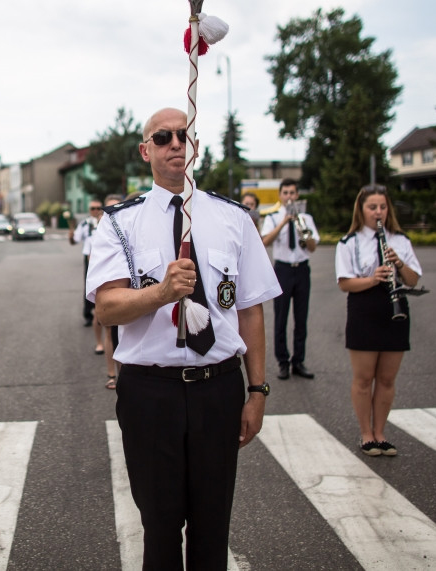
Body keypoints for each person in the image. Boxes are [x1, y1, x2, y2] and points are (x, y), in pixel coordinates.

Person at [87, 107, 280, 569]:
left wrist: (256, 391)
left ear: (195, 145)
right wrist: (160, 293)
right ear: (146, 150)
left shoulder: (233, 218)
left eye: (184, 135)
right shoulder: (119, 223)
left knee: (213, 523)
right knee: (160, 523)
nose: (176, 143)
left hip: (218, 387)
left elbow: (250, 309)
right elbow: (106, 307)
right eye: (164, 136)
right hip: (151, 392)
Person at [335, 184, 422, 457]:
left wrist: (398, 264)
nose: (378, 212)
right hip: (364, 307)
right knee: (364, 378)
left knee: (386, 379)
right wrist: (373, 278)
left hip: (395, 307)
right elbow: (345, 283)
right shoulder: (349, 242)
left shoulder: (401, 240)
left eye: (382, 207)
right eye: (372, 207)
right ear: (361, 210)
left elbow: (413, 279)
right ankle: (366, 434)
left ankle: (381, 433)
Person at [259, 178, 319, 381]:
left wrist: (301, 228)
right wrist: (284, 222)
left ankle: (299, 361)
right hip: (283, 269)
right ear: (280, 196)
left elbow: (312, 247)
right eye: (286, 193)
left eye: (293, 193)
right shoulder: (273, 218)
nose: (289, 196)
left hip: (302, 269)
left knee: (301, 318)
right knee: (281, 317)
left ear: (297, 195)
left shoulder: (307, 218)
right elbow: (265, 241)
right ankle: (282, 362)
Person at [99, 194, 123, 389]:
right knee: (108, 326)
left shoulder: (127, 221)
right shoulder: (100, 226)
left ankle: (123, 373)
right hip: (102, 277)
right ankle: (112, 373)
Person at [72, 199, 104, 329]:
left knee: (103, 284)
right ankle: (88, 314)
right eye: (93, 208)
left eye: (98, 208)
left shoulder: (105, 221)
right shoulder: (84, 223)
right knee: (89, 285)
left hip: (102, 256)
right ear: (89, 210)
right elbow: (75, 239)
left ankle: (102, 313)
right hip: (89, 256)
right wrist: (71, 236)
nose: (95, 211)